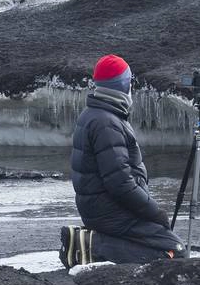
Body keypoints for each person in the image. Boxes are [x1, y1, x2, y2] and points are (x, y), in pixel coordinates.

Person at [60, 54, 185, 268]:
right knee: (173, 252)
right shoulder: (106, 122)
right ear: (123, 84)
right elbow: (120, 183)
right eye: (130, 81)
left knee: (164, 242)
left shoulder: (98, 114)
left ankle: (90, 243)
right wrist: (154, 212)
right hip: (109, 209)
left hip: (101, 207)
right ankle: (92, 247)